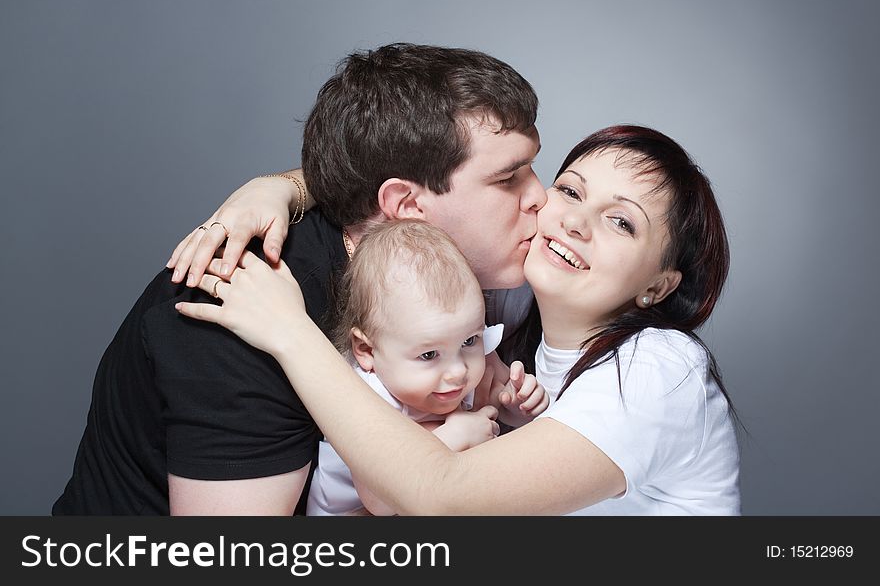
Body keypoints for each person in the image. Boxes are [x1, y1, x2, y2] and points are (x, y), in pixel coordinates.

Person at [53, 43, 545, 515]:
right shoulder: (238, 304)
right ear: (408, 206)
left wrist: (285, 184)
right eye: (508, 179)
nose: (540, 197)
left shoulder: (480, 265)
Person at [177, 125, 742, 515]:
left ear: (658, 285)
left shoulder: (660, 369)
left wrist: (291, 335)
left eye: (622, 223)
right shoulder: (499, 305)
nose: (575, 222)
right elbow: (410, 193)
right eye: (569, 190)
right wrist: (279, 186)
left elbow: (442, 496)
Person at [307, 219, 547, 515]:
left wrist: (514, 407)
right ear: (367, 350)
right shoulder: (366, 397)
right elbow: (379, 500)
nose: (458, 371)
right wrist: (452, 438)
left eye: (470, 340)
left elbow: (491, 407)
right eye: (429, 354)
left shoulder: (453, 369)